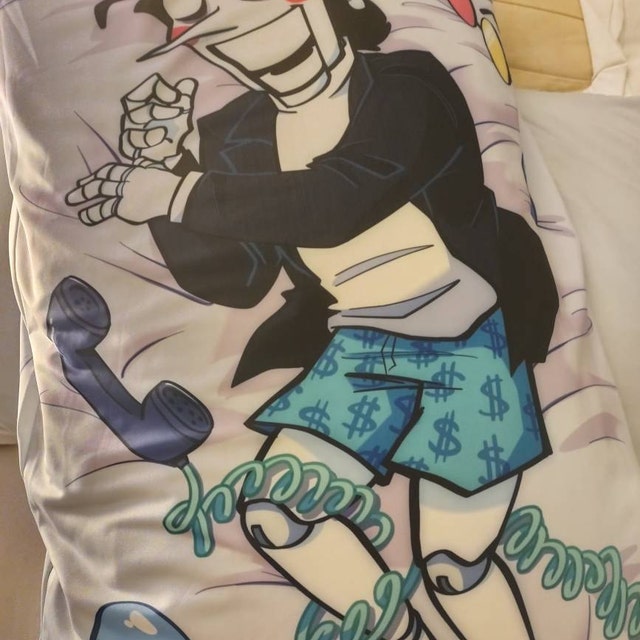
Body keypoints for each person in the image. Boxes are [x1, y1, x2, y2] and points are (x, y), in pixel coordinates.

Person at [67, 1, 559, 638]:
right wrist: (169, 173)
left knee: (453, 566)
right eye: (229, 40)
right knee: (276, 514)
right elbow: (237, 281)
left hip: (471, 339)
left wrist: (180, 192)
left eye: (279, 20)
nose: (264, 51)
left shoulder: (408, 83)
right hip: (358, 347)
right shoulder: (238, 130)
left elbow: (340, 199)